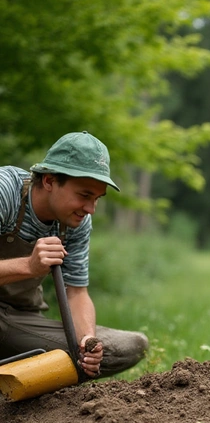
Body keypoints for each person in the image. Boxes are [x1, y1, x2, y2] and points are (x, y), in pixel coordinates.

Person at [0, 131, 149, 378]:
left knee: (128, 347)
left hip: (19, 323)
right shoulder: (5, 191)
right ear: (49, 181)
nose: (90, 209)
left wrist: (87, 341)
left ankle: (19, 380)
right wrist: (28, 265)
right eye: (84, 196)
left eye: (97, 199)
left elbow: (77, 292)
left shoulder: (75, 221)